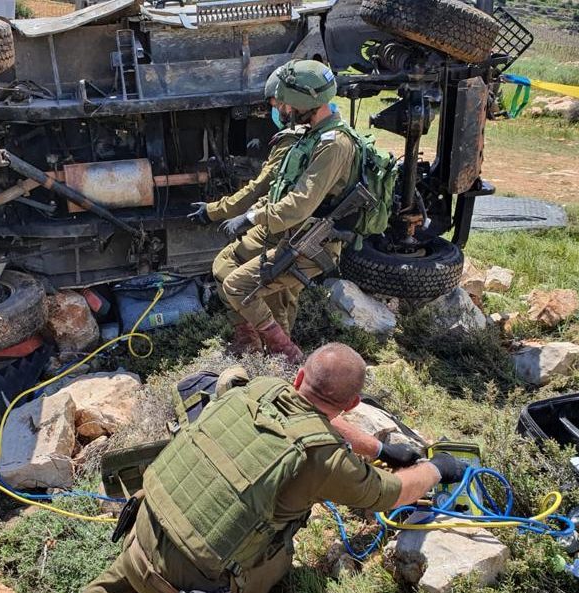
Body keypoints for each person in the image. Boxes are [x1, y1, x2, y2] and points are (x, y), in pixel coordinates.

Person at [85, 343, 464, 593]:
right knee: (280, 555)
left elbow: (308, 417)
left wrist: (379, 447)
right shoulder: (325, 460)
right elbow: (390, 493)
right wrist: (437, 468)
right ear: (352, 404)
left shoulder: (260, 389)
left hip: (141, 539)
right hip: (188, 584)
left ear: (298, 377)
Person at [205, 60, 360, 363]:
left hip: (310, 243)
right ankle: (251, 347)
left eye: (287, 102)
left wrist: (251, 216)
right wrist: (256, 212)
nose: (283, 109)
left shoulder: (334, 145)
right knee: (225, 271)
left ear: (305, 101)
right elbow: (282, 188)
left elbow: (300, 203)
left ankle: (288, 359)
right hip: (289, 232)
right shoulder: (311, 135)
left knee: (244, 288)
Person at [189, 62, 306, 341]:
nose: (274, 111)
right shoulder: (318, 139)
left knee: (264, 288)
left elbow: (259, 187)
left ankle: (275, 352)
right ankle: (267, 347)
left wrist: (215, 211)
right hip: (293, 227)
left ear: (293, 104)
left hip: (284, 228)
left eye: (277, 104)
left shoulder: (294, 142)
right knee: (282, 292)